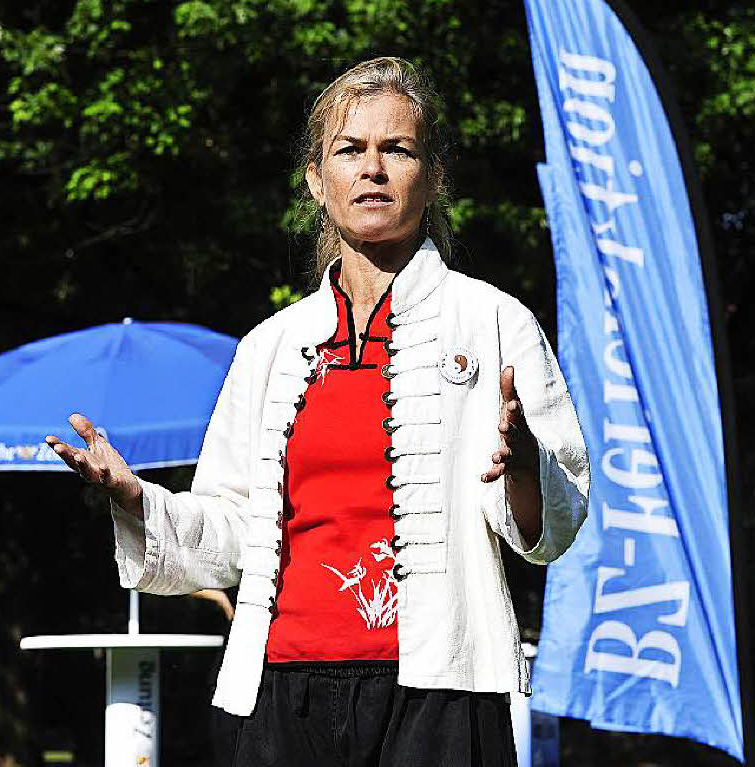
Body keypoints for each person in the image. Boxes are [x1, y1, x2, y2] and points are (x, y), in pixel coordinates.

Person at [46, 56, 589, 766]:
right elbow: (229, 532)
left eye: (397, 149)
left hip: (441, 697)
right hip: (279, 695)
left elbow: (553, 527)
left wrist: (523, 467)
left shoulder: (492, 323)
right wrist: (137, 499)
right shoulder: (270, 347)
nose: (373, 169)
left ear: (434, 177)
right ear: (316, 180)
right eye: (349, 150)